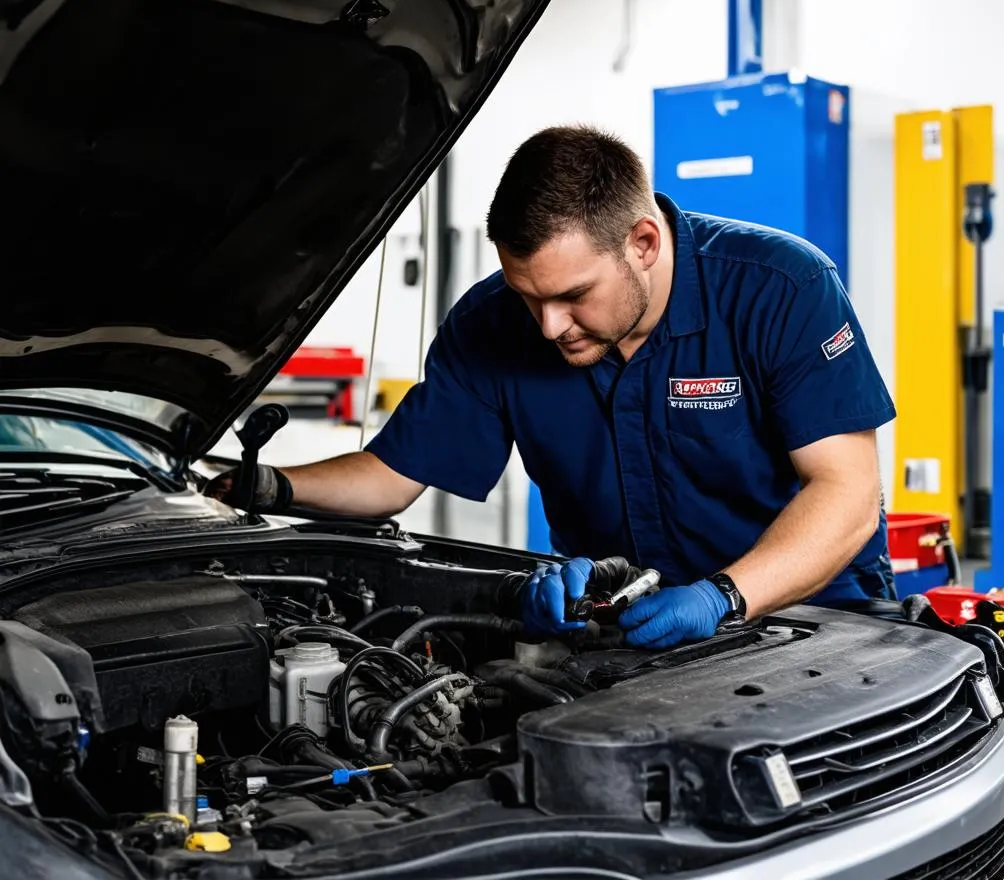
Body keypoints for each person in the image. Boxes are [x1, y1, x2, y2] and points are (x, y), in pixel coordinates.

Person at [207, 125, 897, 649]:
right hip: (627, 630)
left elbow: (847, 494)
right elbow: (392, 476)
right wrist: (266, 486)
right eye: (527, 295)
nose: (547, 326)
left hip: (811, 624)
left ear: (644, 243)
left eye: (572, 295)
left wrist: (722, 598)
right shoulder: (490, 325)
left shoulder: (780, 287)